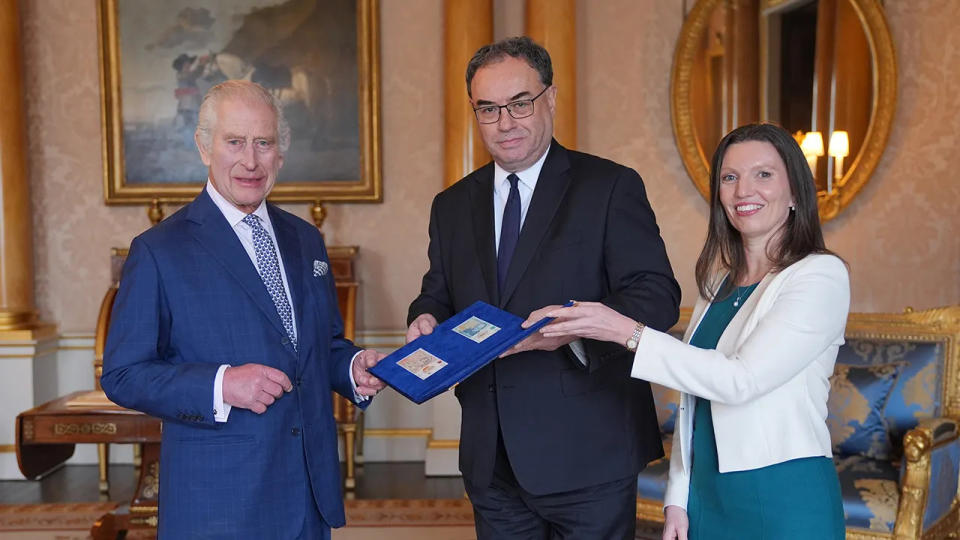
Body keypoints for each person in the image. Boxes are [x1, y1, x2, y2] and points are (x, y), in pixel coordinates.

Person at [406, 36, 681, 539]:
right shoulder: (451, 204)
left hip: (589, 454)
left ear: (550, 98)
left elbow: (657, 294)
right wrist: (422, 315)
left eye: (519, 103)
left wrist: (572, 329)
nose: (504, 122)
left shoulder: (609, 186)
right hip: (491, 460)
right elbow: (438, 292)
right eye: (488, 108)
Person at [530, 123, 849, 539]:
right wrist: (678, 499)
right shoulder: (719, 283)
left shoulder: (820, 275)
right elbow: (693, 400)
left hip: (783, 493)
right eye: (730, 177)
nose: (743, 190)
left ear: (795, 194)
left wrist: (627, 331)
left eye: (763, 175)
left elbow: (740, 380)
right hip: (707, 496)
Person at [101, 80, 385, 539]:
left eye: (263, 143)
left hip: (308, 499)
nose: (250, 161)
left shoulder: (305, 239)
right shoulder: (158, 250)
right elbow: (123, 374)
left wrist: (353, 367)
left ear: (280, 153)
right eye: (235, 142)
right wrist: (221, 384)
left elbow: (320, 343)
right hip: (220, 504)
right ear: (204, 146)